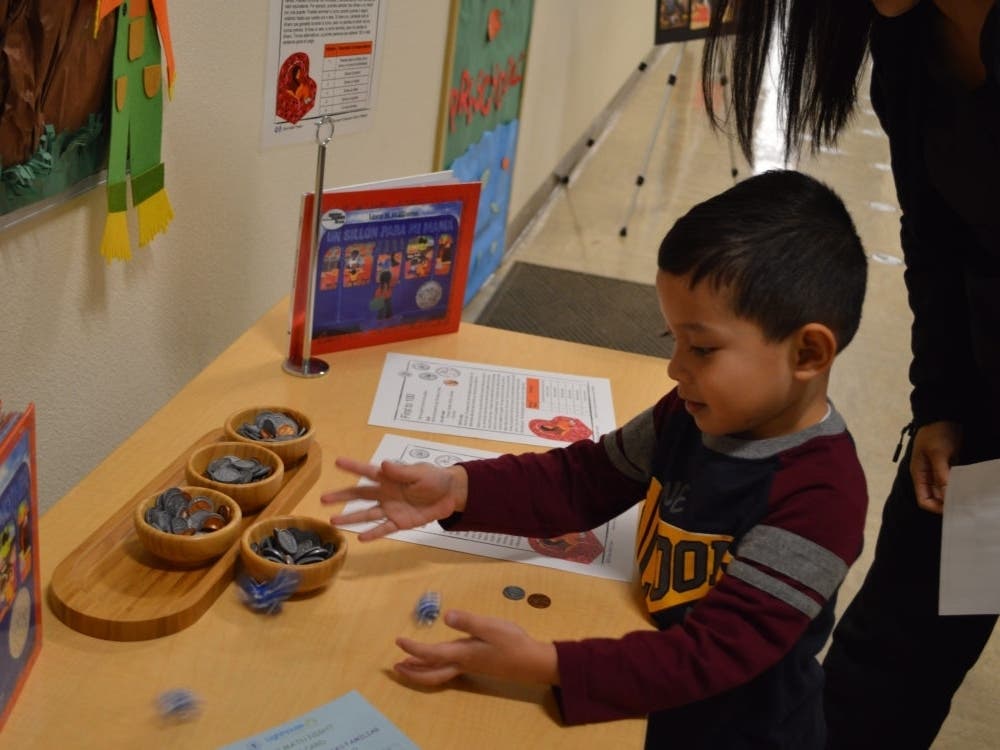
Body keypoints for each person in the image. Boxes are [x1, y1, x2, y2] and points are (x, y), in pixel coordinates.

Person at [322, 170, 870, 749]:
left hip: (737, 730)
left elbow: (712, 656)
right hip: (649, 684)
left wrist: (544, 663)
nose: (675, 369)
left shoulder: (822, 499)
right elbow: (583, 480)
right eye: (673, 342)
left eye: (702, 348)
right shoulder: (688, 412)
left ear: (808, 351)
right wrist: (459, 489)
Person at [702, 2, 1000, 747]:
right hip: (985, 423)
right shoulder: (909, 40)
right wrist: (942, 404)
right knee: (897, 652)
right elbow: (936, 239)